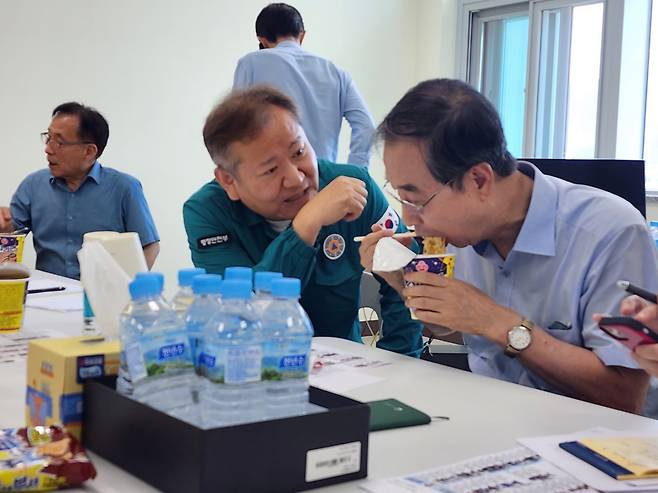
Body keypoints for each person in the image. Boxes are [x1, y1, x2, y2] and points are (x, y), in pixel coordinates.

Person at [358, 78, 658, 413]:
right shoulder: (460, 233)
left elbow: (624, 396)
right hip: (493, 421)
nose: (410, 218)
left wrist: (496, 321)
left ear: (479, 180)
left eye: (416, 199)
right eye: (400, 196)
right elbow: (451, 326)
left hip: (593, 442)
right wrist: (404, 282)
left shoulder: (609, 233)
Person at [183, 86, 422, 356]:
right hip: (258, 372)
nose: (296, 178)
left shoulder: (354, 187)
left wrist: (399, 362)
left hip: (348, 370)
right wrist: (305, 225)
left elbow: (410, 274)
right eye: (271, 169)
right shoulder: (207, 212)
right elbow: (245, 316)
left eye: (298, 152)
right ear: (229, 180)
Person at [1, 102, 160, 279]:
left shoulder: (124, 188)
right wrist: (4, 226)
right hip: (47, 295)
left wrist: (128, 289)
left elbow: (149, 245)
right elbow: (9, 238)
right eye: (48, 138)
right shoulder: (33, 185)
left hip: (102, 297)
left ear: (89, 151)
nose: (48, 149)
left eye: (59, 142)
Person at [233, 3, 375, 167]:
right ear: (302, 35)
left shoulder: (250, 64)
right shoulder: (337, 72)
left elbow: (236, 126)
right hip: (324, 178)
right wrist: (355, 173)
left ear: (262, 40)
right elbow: (366, 126)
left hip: (273, 176)